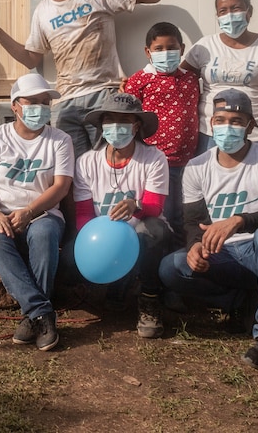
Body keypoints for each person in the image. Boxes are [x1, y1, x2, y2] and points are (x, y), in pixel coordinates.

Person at [158, 89, 258, 374]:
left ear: (250, 125)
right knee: (172, 267)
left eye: (237, 121)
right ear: (211, 124)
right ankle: (242, 302)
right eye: (221, 120)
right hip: (225, 254)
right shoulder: (197, 167)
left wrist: (237, 220)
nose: (228, 127)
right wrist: (196, 245)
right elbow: (193, 221)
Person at [0, 0, 161, 156]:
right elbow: (30, 59)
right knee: (72, 171)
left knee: (108, 161)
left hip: (103, 95)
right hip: (65, 102)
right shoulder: (43, 11)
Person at [0, 73, 73, 351]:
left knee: (43, 235)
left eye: (45, 102)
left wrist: (30, 211)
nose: (40, 108)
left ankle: (32, 317)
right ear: (15, 105)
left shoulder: (60, 140)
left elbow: (61, 186)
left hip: (43, 215)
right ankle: (42, 312)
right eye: (33, 101)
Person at [68, 92, 171, 339]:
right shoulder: (86, 162)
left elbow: (155, 207)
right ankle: (115, 284)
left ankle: (149, 299)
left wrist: (135, 205)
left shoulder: (154, 158)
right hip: (103, 239)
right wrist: (99, 247)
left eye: (124, 120)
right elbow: (83, 215)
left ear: (136, 126)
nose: (116, 127)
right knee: (66, 263)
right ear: (102, 127)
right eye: (110, 120)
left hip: (141, 232)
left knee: (153, 231)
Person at [183, 0, 258, 152]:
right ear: (217, 16)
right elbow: (177, 80)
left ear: (249, 11)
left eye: (236, 8)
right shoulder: (204, 46)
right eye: (223, 11)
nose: (230, 15)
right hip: (211, 136)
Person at [124, 22, 200, 243]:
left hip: (187, 164)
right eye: (159, 49)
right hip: (156, 165)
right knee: (159, 214)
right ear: (148, 52)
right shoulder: (139, 80)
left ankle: (180, 257)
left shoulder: (191, 79)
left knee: (183, 215)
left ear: (182, 49)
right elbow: (130, 116)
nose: (165, 53)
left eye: (171, 48)